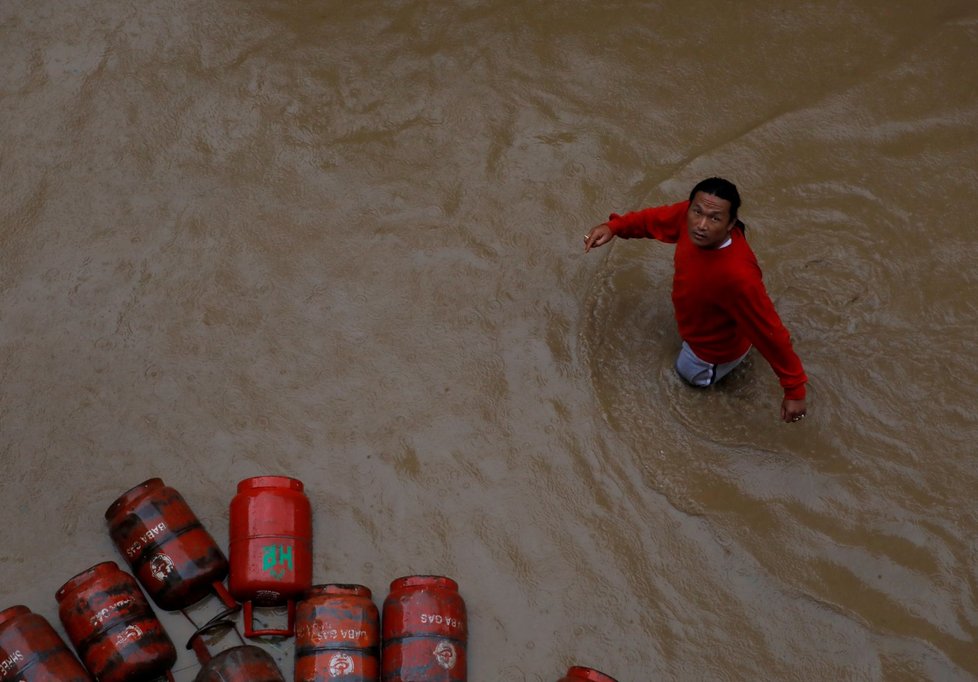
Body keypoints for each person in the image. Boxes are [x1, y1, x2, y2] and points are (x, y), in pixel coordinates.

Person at [583, 177, 808, 423]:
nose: (701, 225)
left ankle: (728, 391)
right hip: (702, 323)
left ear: (731, 223)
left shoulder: (738, 276)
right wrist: (614, 227)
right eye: (697, 212)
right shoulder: (687, 219)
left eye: (714, 218)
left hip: (710, 352)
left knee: (687, 378)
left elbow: (770, 331)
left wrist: (794, 390)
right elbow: (652, 220)